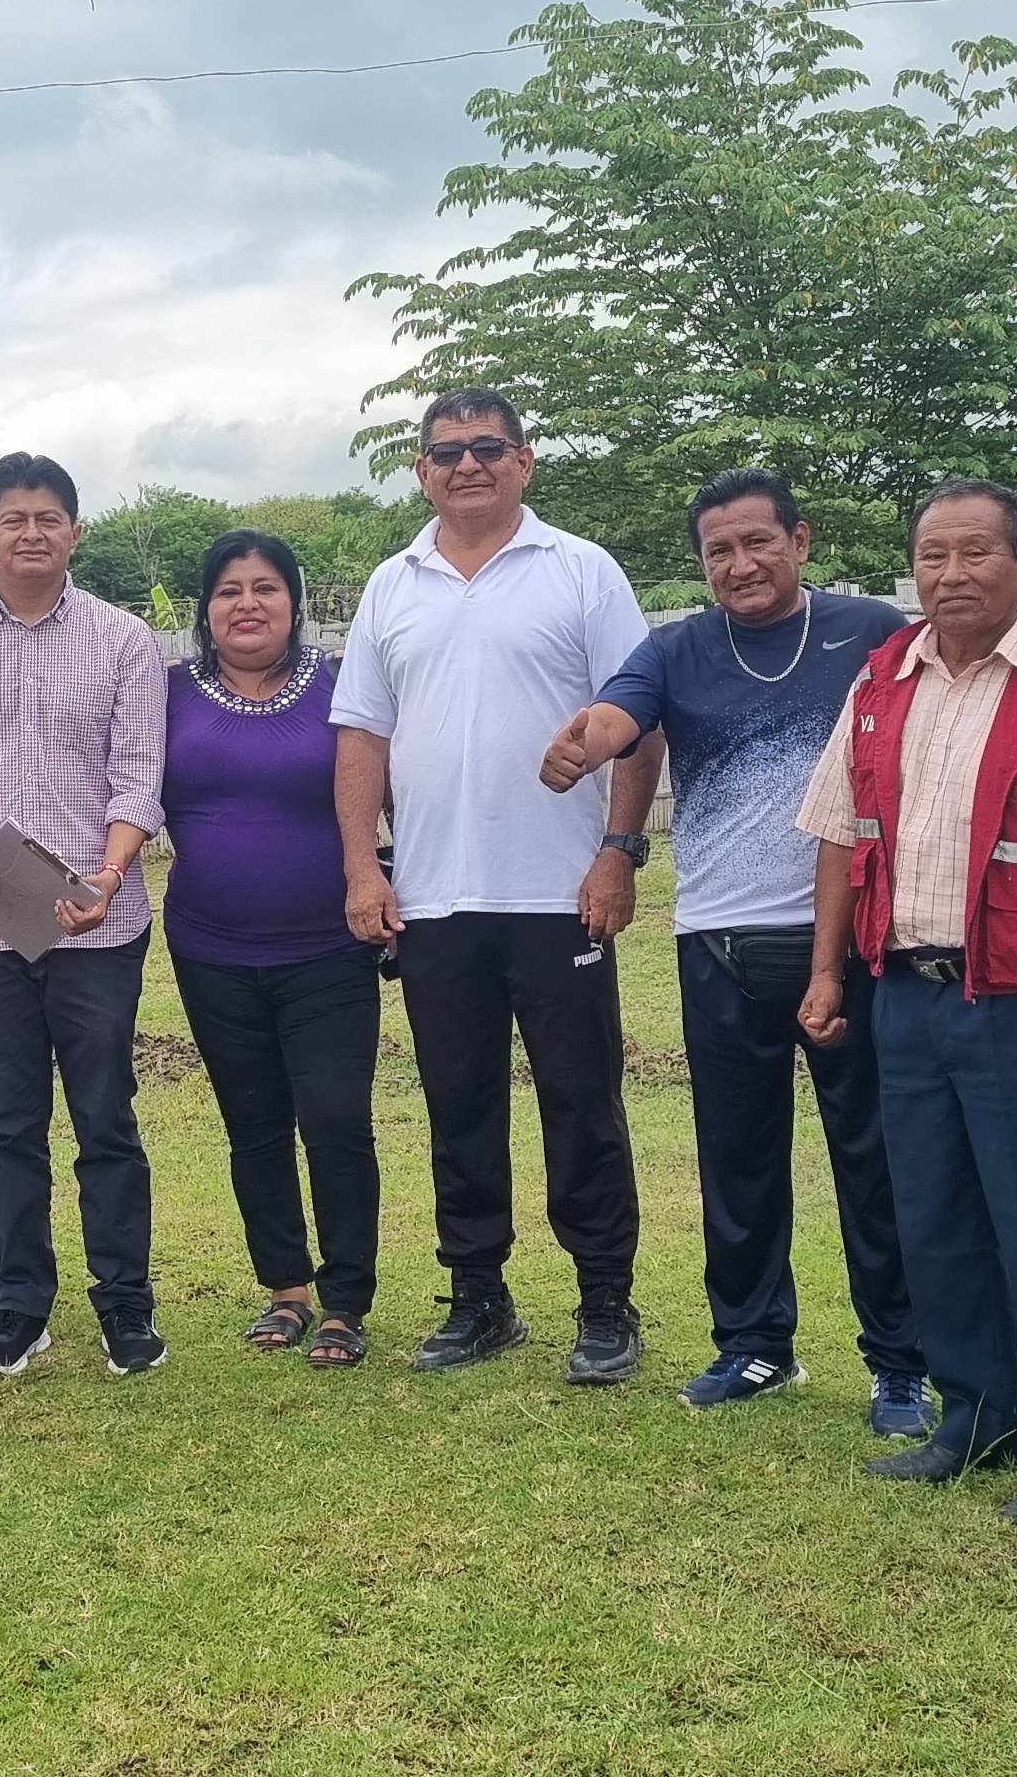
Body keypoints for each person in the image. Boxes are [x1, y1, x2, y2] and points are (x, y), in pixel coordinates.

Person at [540, 469, 926, 1428]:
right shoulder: (677, 649)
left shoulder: (873, 632)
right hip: (719, 939)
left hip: (853, 940)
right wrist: (588, 740)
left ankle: (902, 1363)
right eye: (719, 550)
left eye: (758, 542)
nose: (740, 563)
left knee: (876, 1158)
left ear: (801, 540)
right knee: (737, 1157)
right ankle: (754, 1345)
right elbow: (624, 715)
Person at [794, 479, 1017, 1530]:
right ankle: (977, 1416)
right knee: (935, 1219)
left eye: (976, 552)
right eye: (933, 555)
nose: (951, 574)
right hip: (906, 997)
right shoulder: (879, 682)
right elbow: (841, 836)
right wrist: (826, 973)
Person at [331, 387, 655, 1381]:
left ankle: (605, 1302)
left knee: (581, 1100)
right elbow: (363, 736)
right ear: (421, 472)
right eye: (446, 452)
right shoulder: (392, 583)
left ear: (524, 460)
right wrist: (362, 867)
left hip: (560, 892)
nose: (466, 464)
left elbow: (641, 715)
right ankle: (479, 1297)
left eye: (486, 447)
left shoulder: (582, 570)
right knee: (459, 1103)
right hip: (435, 898)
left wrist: (619, 850)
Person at [0, 452, 169, 1378]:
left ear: (75, 532)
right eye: (12, 518)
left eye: (49, 517)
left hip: (97, 921)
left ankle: (125, 1302)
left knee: (105, 1117)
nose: (31, 533)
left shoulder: (124, 639)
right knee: (7, 1123)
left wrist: (108, 875)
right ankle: (19, 1304)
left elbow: (138, 776)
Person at [164, 530, 383, 1368]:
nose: (247, 604)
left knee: (336, 1120)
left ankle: (346, 1300)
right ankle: (286, 1289)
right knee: (253, 1125)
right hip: (209, 948)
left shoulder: (341, 684)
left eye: (265, 587)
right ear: (206, 608)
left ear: (294, 601)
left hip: (329, 945)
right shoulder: (166, 692)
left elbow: (397, 783)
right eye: (228, 590)